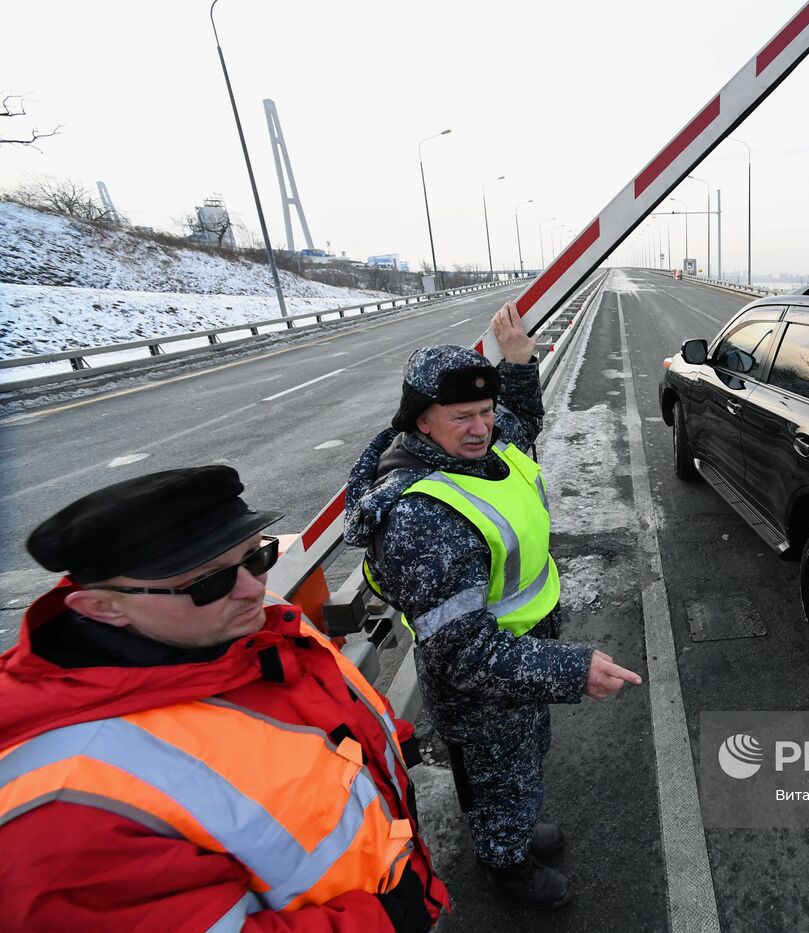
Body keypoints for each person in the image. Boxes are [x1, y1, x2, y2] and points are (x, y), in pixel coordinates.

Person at [0, 466, 448, 931]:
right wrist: (388, 918)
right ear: (102, 607)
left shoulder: (241, 618)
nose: (254, 587)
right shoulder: (67, 807)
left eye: (256, 557)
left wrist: (392, 746)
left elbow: (321, 702)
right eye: (206, 582)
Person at [344, 301, 641, 910]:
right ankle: (505, 866)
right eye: (463, 417)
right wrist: (573, 669)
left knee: (527, 759)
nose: (481, 427)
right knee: (498, 780)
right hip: (483, 683)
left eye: (483, 411)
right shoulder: (422, 516)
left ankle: (520, 829)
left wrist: (518, 367)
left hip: (524, 652)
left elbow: (519, 425)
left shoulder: (481, 449)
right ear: (422, 422)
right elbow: (465, 655)